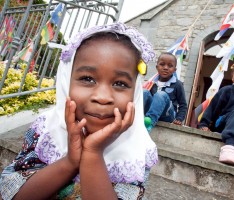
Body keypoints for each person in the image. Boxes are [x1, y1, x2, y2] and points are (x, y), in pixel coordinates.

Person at [0, 22, 158, 199]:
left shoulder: (136, 153)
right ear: (66, 80)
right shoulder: (45, 132)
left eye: (120, 83)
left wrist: (92, 153)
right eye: (88, 79)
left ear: (135, 92)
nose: (103, 97)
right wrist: (70, 162)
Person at [143, 52, 188, 132]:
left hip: (167, 115)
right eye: (162, 64)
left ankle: (149, 125)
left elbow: (183, 105)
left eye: (170, 66)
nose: (166, 68)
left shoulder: (177, 84)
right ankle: (134, 118)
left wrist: (179, 118)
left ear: (174, 70)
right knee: (145, 92)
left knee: (161, 94)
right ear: (157, 67)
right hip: (153, 111)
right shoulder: (152, 82)